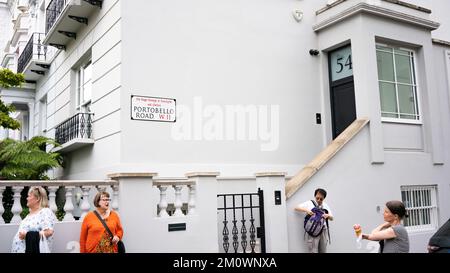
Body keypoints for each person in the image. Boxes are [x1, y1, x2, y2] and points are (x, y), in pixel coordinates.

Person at [11, 186, 57, 253]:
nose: (27, 198)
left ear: (37, 198)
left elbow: (49, 232)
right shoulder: (29, 215)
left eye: (29, 196)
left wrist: (26, 235)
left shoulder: (45, 212)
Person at [295, 188, 334, 253]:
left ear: (324, 198)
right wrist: (307, 210)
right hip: (312, 231)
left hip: (323, 231)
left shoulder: (325, 205)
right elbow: (296, 207)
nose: (319, 200)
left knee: (323, 251)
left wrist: (328, 215)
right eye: (317, 198)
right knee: (313, 251)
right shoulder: (309, 203)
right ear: (315, 196)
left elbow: (332, 218)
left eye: (321, 199)